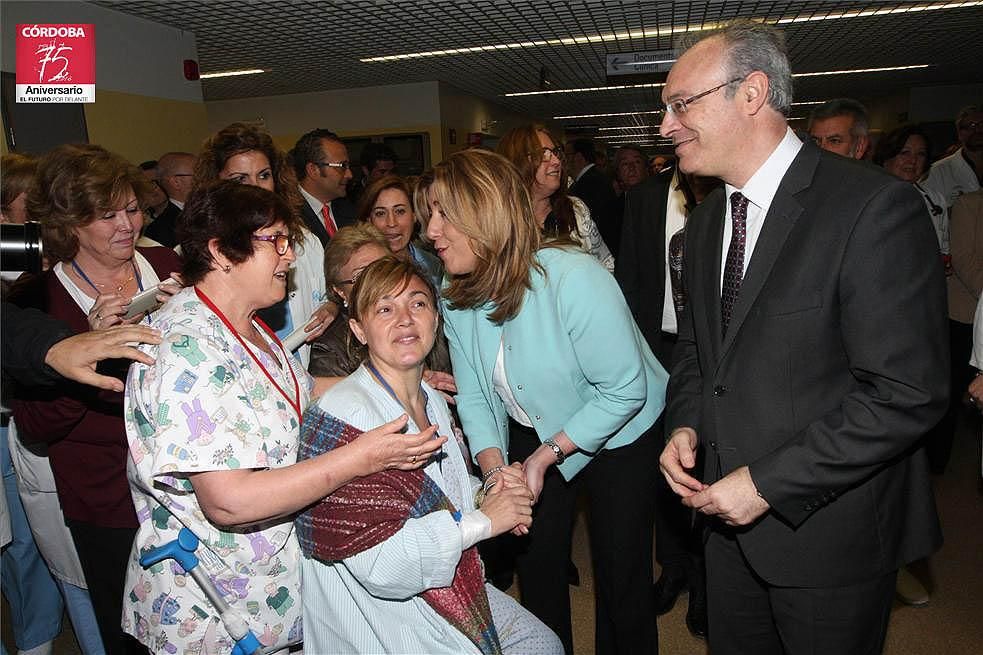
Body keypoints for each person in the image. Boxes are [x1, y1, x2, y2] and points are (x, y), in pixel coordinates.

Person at [657, 20, 946, 655]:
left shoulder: (873, 208)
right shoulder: (702, 228)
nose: (666, 127)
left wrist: (765, 483)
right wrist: (687, 423)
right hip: (724, 529)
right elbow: (698, 355)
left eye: (681, 104)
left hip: (830, 534)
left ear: (752, 93)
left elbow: (906, 393)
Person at [122, 181, 445, 654]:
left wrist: (399, 380)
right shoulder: (187, 350)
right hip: (211, 610)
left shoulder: (247, 325)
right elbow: (228, 501)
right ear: (221, 252)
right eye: (276, 241)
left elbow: (295, 392)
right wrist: (361, 458)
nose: (290, 256)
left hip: (262, 597)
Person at [419, 149, 667, 655]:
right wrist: (495, 476)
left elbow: (624, 390)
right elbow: (476, 397)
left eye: (444, 214)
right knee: (537, 565)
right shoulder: (455, 287)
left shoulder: (573, 277)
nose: (430, 232)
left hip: (622, 429)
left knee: (621, 574)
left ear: (483, 213)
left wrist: (545, 455)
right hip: (532, 421)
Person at [297, 256, 562, 654]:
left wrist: (490, 491)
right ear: (358, 330)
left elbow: (444, 491)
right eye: (385, 309)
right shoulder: (342, 417)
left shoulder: (432, 400)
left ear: (436, 320)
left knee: (543, 645)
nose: (405, 319)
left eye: (417, 303)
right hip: (379, 618)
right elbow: (383, 567)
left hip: (438, 586)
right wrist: (485, 521)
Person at [8, 143, 182, 655]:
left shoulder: (168, 263)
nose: (127, 224)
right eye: (106, 215)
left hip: (183, 481)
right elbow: (38, 426)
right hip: (106, 499)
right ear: (69, 224)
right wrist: (88, 350)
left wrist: (193, 313)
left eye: (131, 208)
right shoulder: (37, 298)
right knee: (128, 628)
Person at [193, 122, 333, 367]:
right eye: (240, 178)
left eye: (264, 175)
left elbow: (324, 296)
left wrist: (331, 307)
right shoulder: (199, 250)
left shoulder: (305, 241)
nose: (256, 188)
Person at [498, 125, 614, 272]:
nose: (556, 161)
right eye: (544, 154)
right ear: (518, 162)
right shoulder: (497, 219)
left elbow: (606, 266)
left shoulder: (575, 210)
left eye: (555, 153)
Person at [356, 174, 443, 287]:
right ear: (369, 220)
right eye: (380, 213)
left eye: (400, 211)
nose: (391, 223)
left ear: (414, 215)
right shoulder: (360, 269)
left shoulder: (434, 265)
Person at [292, 128, 357, 246]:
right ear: (313, 170)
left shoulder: (348, 209)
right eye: (342, 166)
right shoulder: (289, 215)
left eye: (348, 166)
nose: (349, 175)